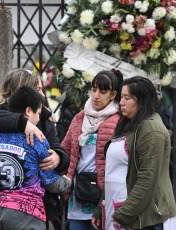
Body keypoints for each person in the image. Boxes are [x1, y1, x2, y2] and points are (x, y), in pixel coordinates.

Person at [0, 86, 71, 230]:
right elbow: (50, 182)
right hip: (25, 212)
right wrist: (66, 182)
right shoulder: (36, 139)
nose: (38, 120)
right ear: (29, 111)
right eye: (39, 114)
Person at [92, 76, 176, 230]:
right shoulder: (128, 124)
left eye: (127, 98)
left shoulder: (151, 130)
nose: (121, 102)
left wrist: (124, 214)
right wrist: (101, 207)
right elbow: (113, 171)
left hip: (146, 218)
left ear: (142, 100)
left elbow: (147, 179)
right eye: (121, 97)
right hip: (120, 212)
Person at [61, 69, 123, 230]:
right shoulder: (80, 118)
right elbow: (65, 149)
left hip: (104, 195)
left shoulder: (119, 121)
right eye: (94, 90)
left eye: (103, 92)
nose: (96, 95)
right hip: (79, 193)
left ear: (113, 94)